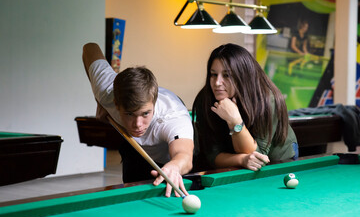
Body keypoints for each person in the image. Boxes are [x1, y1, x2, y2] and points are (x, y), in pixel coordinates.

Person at [82, 43, 194, 197]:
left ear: (153, 105)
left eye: (145, 114)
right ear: (116, 104)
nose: (137, 124)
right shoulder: (107, 93)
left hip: (170, 160)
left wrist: (174, 166)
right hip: (135, 151)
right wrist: (99, 101)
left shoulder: (172, 117)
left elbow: (185, 156)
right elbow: (90, 48)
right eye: (129, 114)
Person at [192, 43, 298, 172]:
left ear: (243, 76)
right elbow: (212, 155)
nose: (217, 83)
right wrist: (242, 159)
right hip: (235, 161)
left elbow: (259, 156)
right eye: (213, 74)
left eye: (227, 75)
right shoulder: (205, 100)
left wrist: (234, 120)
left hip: (277, 158)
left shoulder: (266, 99)